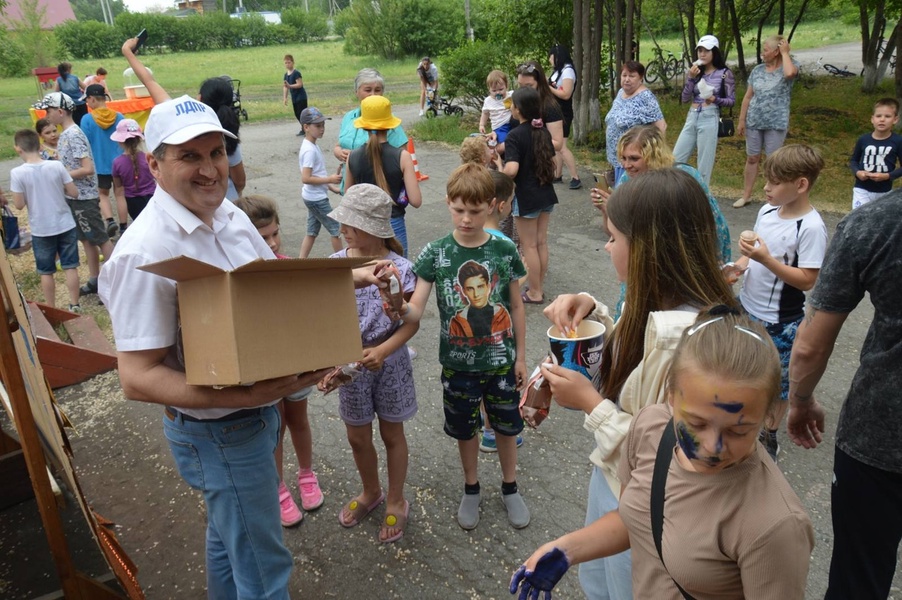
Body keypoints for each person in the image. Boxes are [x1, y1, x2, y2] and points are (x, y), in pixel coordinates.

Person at [98, 63, 391, 595]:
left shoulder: (228, 215)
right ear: (156, 164)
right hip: (219, 431)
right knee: (264, 565)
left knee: (229, 538)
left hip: (253, 417)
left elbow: (273, 286)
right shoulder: (144, 252)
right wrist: (245, 392)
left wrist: (356, 277)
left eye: (215, 153)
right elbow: (137, 377)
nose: (210, 169)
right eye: (189, 155)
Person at [511, 309, 814, 600]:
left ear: (768, 416)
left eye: (739, 431)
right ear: (671, 396)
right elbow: (638, 517)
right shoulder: (651, 428)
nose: (713, 446)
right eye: (696, 423)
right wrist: (567, 549)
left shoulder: (775, 526)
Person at [541, 169, 738, 599]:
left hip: (648, 515)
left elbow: (671, 458)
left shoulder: (688, 345)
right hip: (616, 485)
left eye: (613, 237)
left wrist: (591, 403)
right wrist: (594, 311)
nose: (607, 246)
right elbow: (638, 357)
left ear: (649, 249)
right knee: (601, 585)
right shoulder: (658, 301)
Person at [787, 189, 902, 600]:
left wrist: (800, 401)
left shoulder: (875, 223)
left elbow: (810, 345)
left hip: (881, 436)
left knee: (860, 575)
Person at [403, 163, 529, 531]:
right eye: (459, 210)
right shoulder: (435, 253)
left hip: (502, 363)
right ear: (448, 204)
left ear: (491, 205)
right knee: (465, 429)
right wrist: (395, 303)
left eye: (475, 211)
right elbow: (415, 310)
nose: (467, 219)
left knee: (506, 427)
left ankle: (510, 486)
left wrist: (521, 356)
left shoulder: (504, 249)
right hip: (458, 368)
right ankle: (471, 487)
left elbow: (517, 304)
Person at [325, 184, 418, 543]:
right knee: (356, 436)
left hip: (390, 362)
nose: (343, 228)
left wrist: (383, 351)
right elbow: (325, 317)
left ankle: (395, 498)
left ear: (376, 228)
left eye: (351, 222)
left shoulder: (402, 269)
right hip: (349, 366)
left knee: (392, 434)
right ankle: (371, 491)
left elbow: (410, 321)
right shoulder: (336, 265)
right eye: (343, 220)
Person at [233, 193, 325, 528]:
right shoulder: (240, 275)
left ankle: (306, 474)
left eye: (275, 234)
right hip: (266, 372)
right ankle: (278, 487)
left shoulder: (288, 265)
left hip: (297, 366)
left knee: (298, 419)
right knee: (275, 428)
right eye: (263, 237)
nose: (272, 243)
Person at [735, 144, 827, 461]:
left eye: (774, 182)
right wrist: (739, 266)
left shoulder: (811, 227)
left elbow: (807, 279)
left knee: (778, 383)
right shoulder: (766, 211)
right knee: (745, 368)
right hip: (747, 307)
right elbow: (752, 254)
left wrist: (765, 259)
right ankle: (744, 420)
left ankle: (769, 435)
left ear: (800, 185)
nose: (765, 187)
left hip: (781, 321)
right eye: (766, 180)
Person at [121, 41, 246, 202]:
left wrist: (127, 52)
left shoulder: (176, 120)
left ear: (200, 98)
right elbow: (240, 181)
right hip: (226, 201)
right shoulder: (226, 134)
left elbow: (149, 81)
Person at [593, 125, 731, 264]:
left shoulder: (684, 177)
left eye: (634, 158)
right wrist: (607, 210)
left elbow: (713, 227)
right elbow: (617, 235)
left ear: (653, 156)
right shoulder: (626, 180)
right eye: (623, 158)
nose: (626, 165)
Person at [38, 92, 114, 300]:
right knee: (86, 240)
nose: (47, 115)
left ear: (60, 112)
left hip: (84, 198)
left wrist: (59, 175)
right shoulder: (65, 134)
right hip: (74, 198)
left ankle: (116, 282)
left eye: (49, 110)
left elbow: (87, 168)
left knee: (100, 238)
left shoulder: (73, 134)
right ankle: (94, 279)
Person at [9, 129, 81, 311]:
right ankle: (75, 304)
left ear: (18, 149)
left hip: (41, 228)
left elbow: (18, 205)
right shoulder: (56, 166)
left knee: (46, 270)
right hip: (65, 223)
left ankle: (51, 308)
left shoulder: (17, 173)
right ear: (40, 145)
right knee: (70, 266)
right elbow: (74, 192)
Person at [345, 95, 422, 257]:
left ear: (363, 126)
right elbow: (416, 201)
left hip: (362, 228)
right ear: (390, 125)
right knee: (397, 274)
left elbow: (348, 197)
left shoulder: (352, 156)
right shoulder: (402, 156)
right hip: (393, 226)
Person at [501, 87, 558, 305]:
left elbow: (512, 169)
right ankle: (538, 285)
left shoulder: (515, 136)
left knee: (529, 246)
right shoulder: (542, 131)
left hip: (526, 197)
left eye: (512, 104)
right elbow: (551, 161)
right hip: (546, 194)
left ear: (518, 109)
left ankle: (535, 291)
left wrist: (499, 172)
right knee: (541, 242)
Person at [734, 34, 800, 208]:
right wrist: (741, 120)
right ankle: (746, 195)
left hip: (776, 123)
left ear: (777, 51)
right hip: (754, 121)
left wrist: (785, 53)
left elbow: (790, 73)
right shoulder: (757, 70)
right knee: (752, 158)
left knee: (773, 161)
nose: (762, 53)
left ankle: (773, 198)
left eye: (766, 49)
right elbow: (748, 97)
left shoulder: (789, 67)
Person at [672, 35, 735, 185]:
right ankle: (674, 194)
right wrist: (691, 78)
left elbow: (731, 101)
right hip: (692, 116)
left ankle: (703, 200)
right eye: (700, 50)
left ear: (715, 52)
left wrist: (715, 99)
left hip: (709, 116)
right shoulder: (696, 72)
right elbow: (685, 98)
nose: (702, 54)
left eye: (706, 50)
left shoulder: (725, 73)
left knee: (704, 165)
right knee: (675, 160)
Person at [333, 68, 408, 190]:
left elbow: (402, 156)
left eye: (377, 90)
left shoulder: (390, 122)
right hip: (350, 190)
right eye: (368, 90)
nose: (373, 95)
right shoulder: (348, 117)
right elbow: (339, 144)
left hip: (379, 189)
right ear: (356, 92)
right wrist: (338, 152)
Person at [604, 61, 666, 184]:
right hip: (618, 160)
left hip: (633, 161)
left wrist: (655, 156)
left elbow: (661, 126)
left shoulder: (646, 98)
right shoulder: (621, 92)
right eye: (624, 75)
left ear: (641, 78)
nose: (627, 79)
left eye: (632, 76)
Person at [297, 107, 343, 258]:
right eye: (317, 126)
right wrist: (329, 179)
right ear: (306, 127)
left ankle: (300, 262)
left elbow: (317, 175)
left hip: (312, 197)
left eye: (323, 125)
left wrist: (332, 187)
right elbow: (306, 178)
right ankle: (343, 263)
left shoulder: (312, 145)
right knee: (336, 229)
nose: (322, 129)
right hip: (316, 199)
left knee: (312, 232)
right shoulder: (309, 150)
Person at [80, 84, 125, 238]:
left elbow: (84, 142)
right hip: (119, 163)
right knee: (120, 194)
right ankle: (124, 226)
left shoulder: (87, 119)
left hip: (99, 165)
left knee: (103, 194)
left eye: (87, 100)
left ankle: (110, 220)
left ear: (92, 99)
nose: (87, 103)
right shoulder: (119, 117)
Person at [849, 97, 902, 209]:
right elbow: (854, 160)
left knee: (879, 223)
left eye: (887, 116)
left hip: (884, 191)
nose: (882, 119)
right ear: (872, 119)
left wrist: (888, 176)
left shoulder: (898, 141)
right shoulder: (863, 139)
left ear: (895, 119)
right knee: (859, 219)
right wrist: (858, 172)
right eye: (878, 116)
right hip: (861, 189)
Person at [514, 61, 564, 163]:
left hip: (540, 164)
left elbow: (558, 144)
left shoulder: (550, 106)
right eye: (520, 85)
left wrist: (525, 141)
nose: (524, 90)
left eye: (529, 86)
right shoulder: (517, 102)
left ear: (540, 83)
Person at [548, 44, 581, 189]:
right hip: (555, 112)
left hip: (564, 112)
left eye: (550, 56)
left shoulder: (568, 72)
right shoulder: (558, 71)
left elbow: (566, 94)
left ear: (557, 56)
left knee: (561, 146)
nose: (549, 59)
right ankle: (558, 174)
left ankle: (575, 177)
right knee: (557, 145)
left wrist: (547, 87)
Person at [110, 119, 156, 223]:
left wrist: (123, 224)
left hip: (132, 203)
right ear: (139, 139)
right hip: (152, 198)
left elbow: (118, 189)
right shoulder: (148, 158)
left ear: (120, 141)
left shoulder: (117, 163)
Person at [479, 70, 513, 146]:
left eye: (501, 89)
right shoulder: (488, 101)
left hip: (512, 123)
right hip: (499, 127)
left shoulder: (510, 95)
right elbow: (485, 113)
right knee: (505, 141)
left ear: (506, 86)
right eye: (494, 90)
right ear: (489, 89)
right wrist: (481, 125)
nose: (498, 92)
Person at [282, 54, 307, 136]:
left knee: (301, 113)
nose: (287, 64)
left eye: (289, 62)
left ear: (293, 62)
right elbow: (285, 87)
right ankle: (304, 128)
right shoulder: (286, 75)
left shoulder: (296, 73)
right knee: (297, 113)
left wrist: (290, 86)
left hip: (301, 96)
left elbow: (299, 84)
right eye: (286, 63)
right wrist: (285, 97)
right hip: (294, 97)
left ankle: (306, 129)